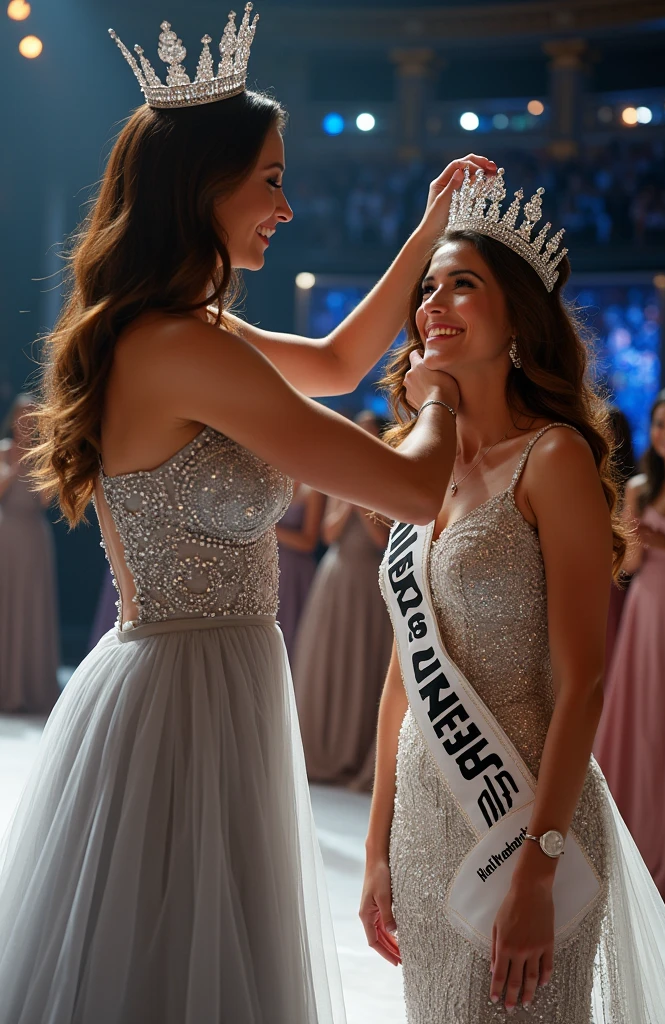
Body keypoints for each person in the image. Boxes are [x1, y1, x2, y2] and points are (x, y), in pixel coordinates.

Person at [0, 8, 494, 1022]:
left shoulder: (190, 329)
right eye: (270, 177)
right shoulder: (182, 347)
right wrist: (445, 383)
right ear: (203, 187)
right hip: (184, 690)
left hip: (216, 670)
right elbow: (407, 488)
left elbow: (338, 363)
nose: (288, 204)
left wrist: (428, 230)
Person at [359, 168, 665, 1022]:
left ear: (517, 320)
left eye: (462, 284)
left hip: (528, 818)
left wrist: (540, 866)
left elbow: (584, 682)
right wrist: (376, 849)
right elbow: (403, 676)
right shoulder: (416, 472)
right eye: (427, 288)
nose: (434, 302)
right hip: (428, 821)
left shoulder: (554, 460)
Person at [595, 385, 665, 905]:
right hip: (646, 612)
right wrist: (626, 538)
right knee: (644, 725)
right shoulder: (639, 488)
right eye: (660, 425)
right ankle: (633, 844)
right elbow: (628, 566)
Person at [293, 410, 392, 790]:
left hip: (368, 580)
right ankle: (320, 750)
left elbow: (381, 540)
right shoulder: (340, 478)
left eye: (368, 434)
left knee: (360, 665)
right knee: (326, 662)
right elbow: (329, 533)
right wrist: (349, 495)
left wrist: (361, 495)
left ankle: (351, 754)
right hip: (335, 576)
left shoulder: (386, 482)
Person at [0, 394, 59, 713]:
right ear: (13, 420)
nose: (25, 424)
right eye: (21, 417)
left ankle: (30, 687)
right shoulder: (4, 450)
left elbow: (46, 501)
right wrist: (13, 466)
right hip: (6, 535)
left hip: (33, 536)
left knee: (31, 605)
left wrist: (42, 461)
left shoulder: (43, 457)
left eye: (31, 419)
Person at [276, 481, 326, 659]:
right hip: (274, 567)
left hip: (297, 572)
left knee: (293, 632)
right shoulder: (276, 481)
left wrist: (272, 531)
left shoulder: (312, 489)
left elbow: (310, 542)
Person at [604, 406, 636, 682]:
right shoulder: (578, 478)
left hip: (617, 584)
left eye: (609, 431)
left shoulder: (633, 489)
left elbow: (630, 561)